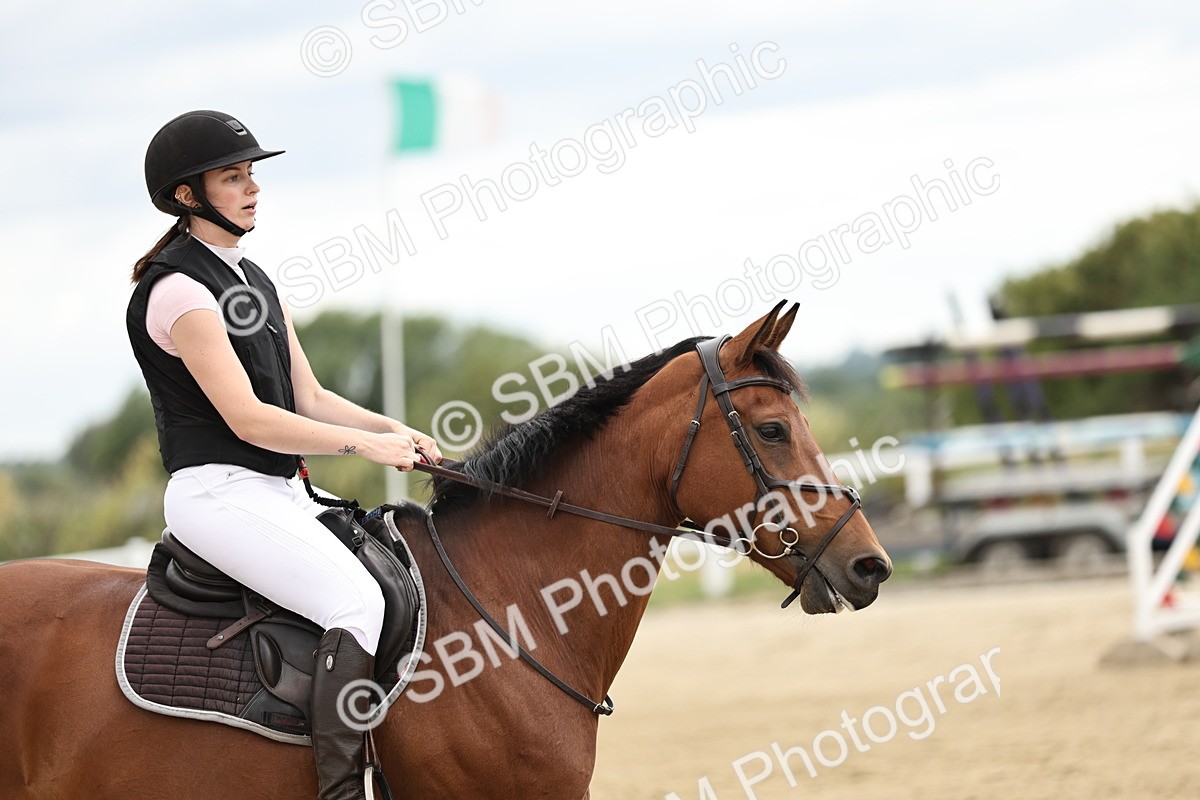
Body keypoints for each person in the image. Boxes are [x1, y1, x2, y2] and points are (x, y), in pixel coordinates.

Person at [126, 109, 440, 800]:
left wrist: (398, 430)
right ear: (188, 195)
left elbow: (310, 394)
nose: (252, 188)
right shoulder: (179, 290)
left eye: (252, 175)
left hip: (275, 491)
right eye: (233, 176)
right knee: (356, 602)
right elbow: (251, 418)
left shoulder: (254, 279)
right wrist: (367, 446)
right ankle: (340, 791)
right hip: (218, 493)